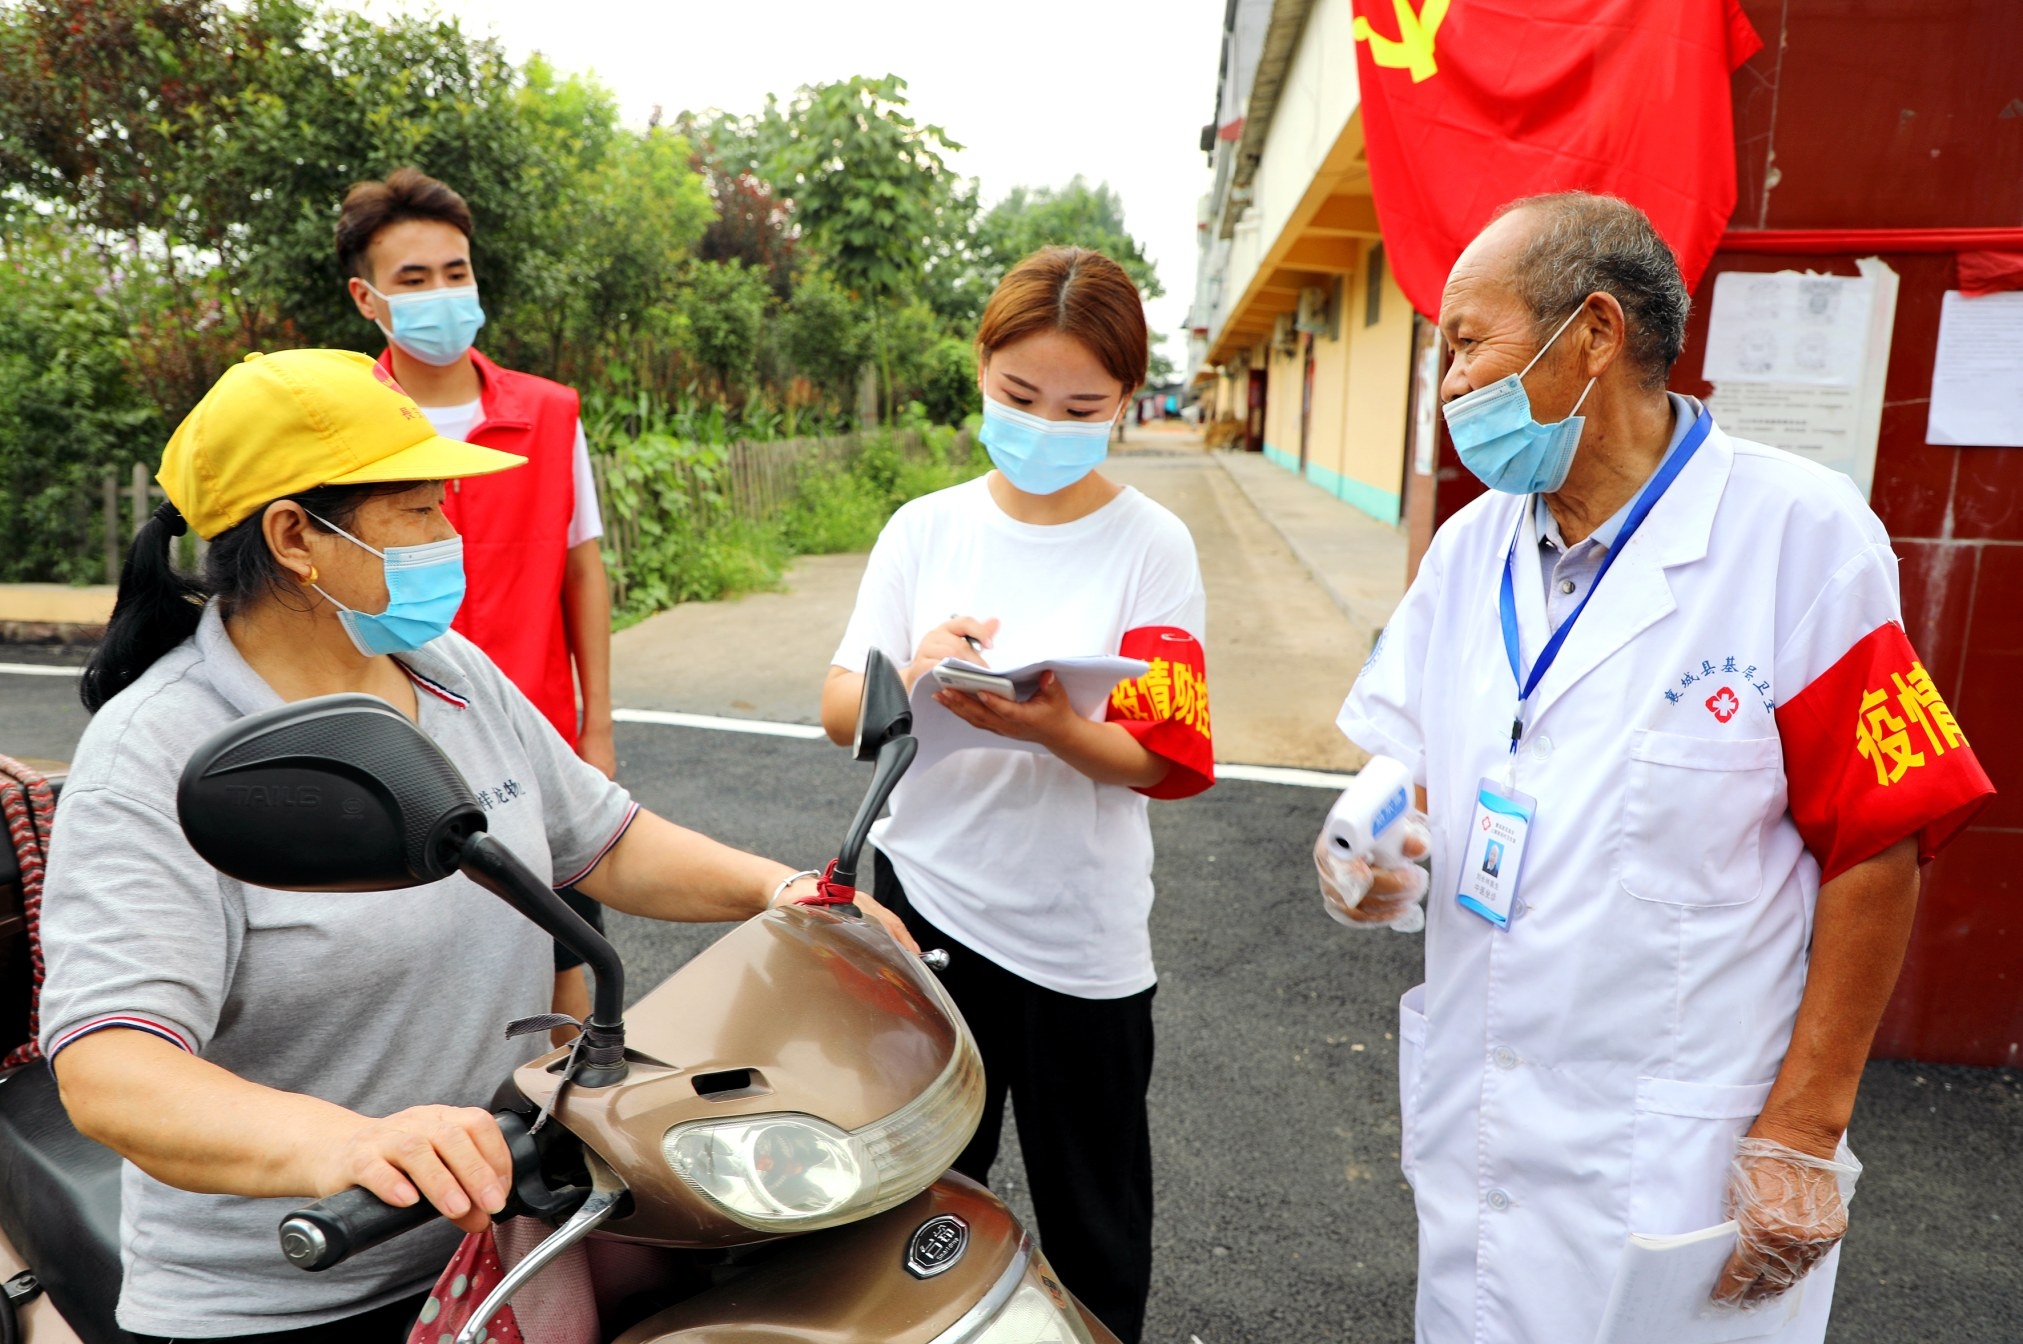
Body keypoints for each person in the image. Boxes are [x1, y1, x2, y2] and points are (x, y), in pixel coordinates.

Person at [40, 349, 911, 1343]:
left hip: (511, 1234)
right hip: (299, 1286)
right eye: (417, 510)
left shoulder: (441, 667)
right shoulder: (155, 754)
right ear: (295, 537)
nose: (449, 535)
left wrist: (779, 890)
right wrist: (350, 1148)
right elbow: (113, 1070)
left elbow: (605, 840)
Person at [1327, 193, 1995, 1344]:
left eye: (1466, 344)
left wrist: (1803, 1132)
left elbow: (1879, 842)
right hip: (1481, 1138)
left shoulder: (1798, 533)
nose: (1448, 387)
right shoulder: (1468, 547)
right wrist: (1380, 859)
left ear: (1592, 333)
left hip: (1671, 1158)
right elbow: (1414, 768)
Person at [819, 246, 1215, 1344]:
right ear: (980, 369)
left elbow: (1165, 758)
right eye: (1019, 395)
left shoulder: (1153, 543)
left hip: (1078, 933)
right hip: (924, 908)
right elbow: (841, 709)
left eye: (1081, 408)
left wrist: (1057, 730)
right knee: (914, 1205)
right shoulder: (924, 528)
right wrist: (914, 674)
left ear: (1125, 400)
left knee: (1095, 1224)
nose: (1045, 426)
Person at [334, 167, 613, 1031]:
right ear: (367, 298)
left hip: (534, 739)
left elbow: (583, 569)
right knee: (416, 968)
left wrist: (597, 730)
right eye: (413, 279)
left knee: (567, 966)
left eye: (455, 273)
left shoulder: (550, 413)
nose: (441, 295)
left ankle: (558, 1107)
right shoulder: (344, 423)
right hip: (390, 745)